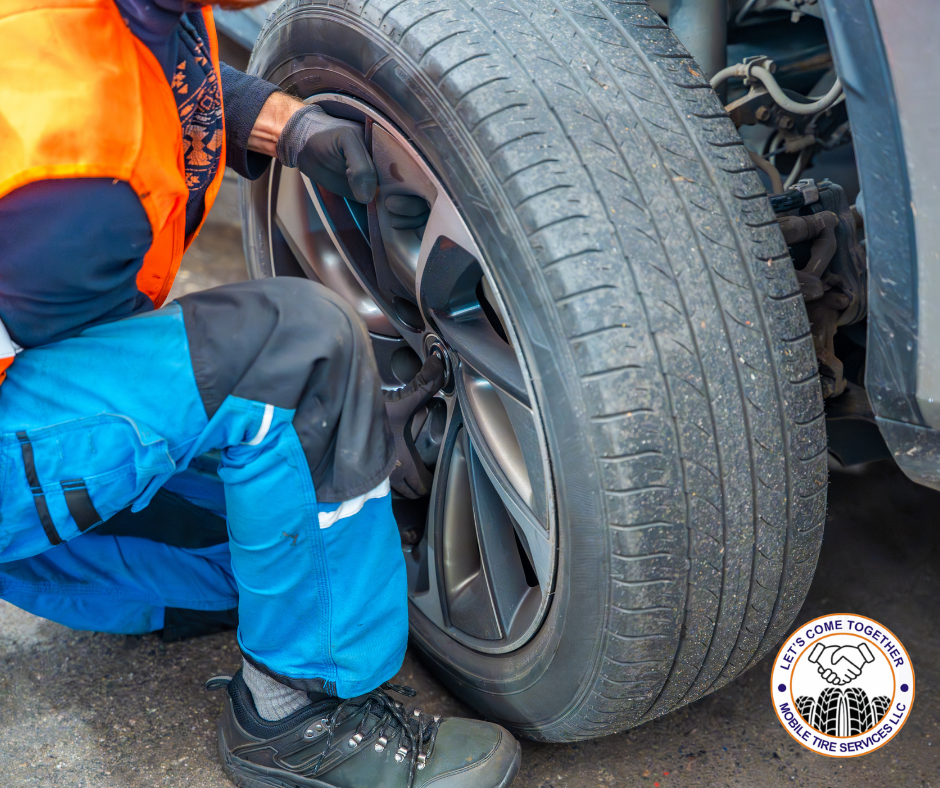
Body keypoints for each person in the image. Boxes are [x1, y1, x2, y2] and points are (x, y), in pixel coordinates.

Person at [0, 1, 521, 786]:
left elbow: (156, 76)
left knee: (270, 551)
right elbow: (119, 357)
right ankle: (298, 719)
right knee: (295, 359)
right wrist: (344, 433)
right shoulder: (68, 160)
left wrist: (286, 125)